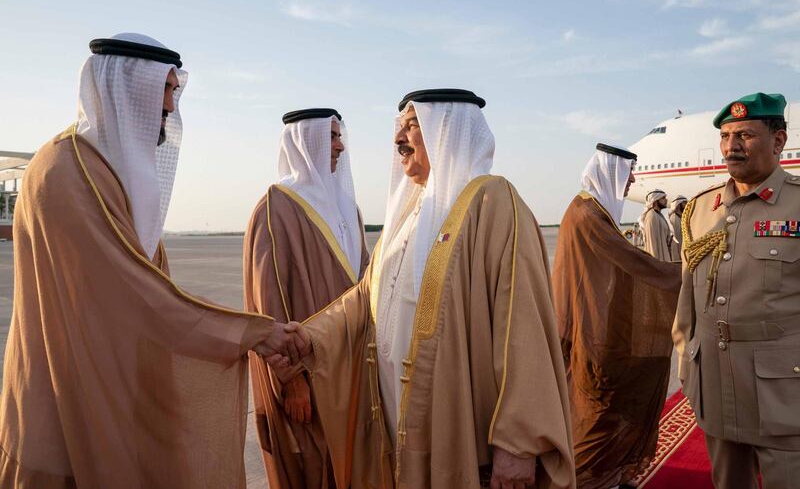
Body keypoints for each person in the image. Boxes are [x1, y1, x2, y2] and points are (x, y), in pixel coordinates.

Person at [0, 34, 304, 488]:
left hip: (122, 391)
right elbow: (137, 294)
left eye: (173, 90)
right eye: (162, 89)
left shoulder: (106, 172)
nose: (169, 105)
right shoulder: (64, 172)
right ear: (123, 88)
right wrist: (252, 332)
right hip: (67, 400)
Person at [285, 89, 574, 488]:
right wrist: (307, 338)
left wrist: (518, 442)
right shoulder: (406, 213)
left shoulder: (492, 203)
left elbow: (522, 330)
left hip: (457, 424)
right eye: (399, 127)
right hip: (395, 418)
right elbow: (364, 299)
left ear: (447, 130)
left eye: (412, 125)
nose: (398, 139)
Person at [673, 92, 800, 488]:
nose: (731, 147)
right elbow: (686, 307)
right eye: (726, 137)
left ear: (778, 141)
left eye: (744, 135)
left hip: (784, 395)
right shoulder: (700, 209)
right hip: (716, 386)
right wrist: (688, 369)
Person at [245, 108, 369, 488]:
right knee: (313, 467)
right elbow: (268, 302)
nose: (339, 146)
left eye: (339, 135)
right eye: (331, 137)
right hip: (307, 375)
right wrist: (291, 380)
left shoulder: (348, 206)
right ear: (306, 141)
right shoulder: (276, 207)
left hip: (353, 369)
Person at [553, 143, 681, 488]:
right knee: (597, 412)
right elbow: (628, 263)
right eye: (627, 173)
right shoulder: (587, 215)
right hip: (592, 334)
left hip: (600, 324)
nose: (632, 180)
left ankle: (607, 477)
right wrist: (680, 274)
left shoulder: (593, 211)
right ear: (609, 172)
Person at [640, 189, 673, 261]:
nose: (666, 200)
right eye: (663, 198)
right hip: (658, 259)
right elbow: (651, 242)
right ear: (655, 200)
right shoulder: (651, 216)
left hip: (663, 256)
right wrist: (655, 263)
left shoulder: (658, 215)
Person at [667, 195, 687, 260]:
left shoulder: (680, 217)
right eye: (684, 203)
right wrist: (677, 258)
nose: (686, 205)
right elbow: (674, 243)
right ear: (678, 205)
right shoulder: (674, 219)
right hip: (678, 255)